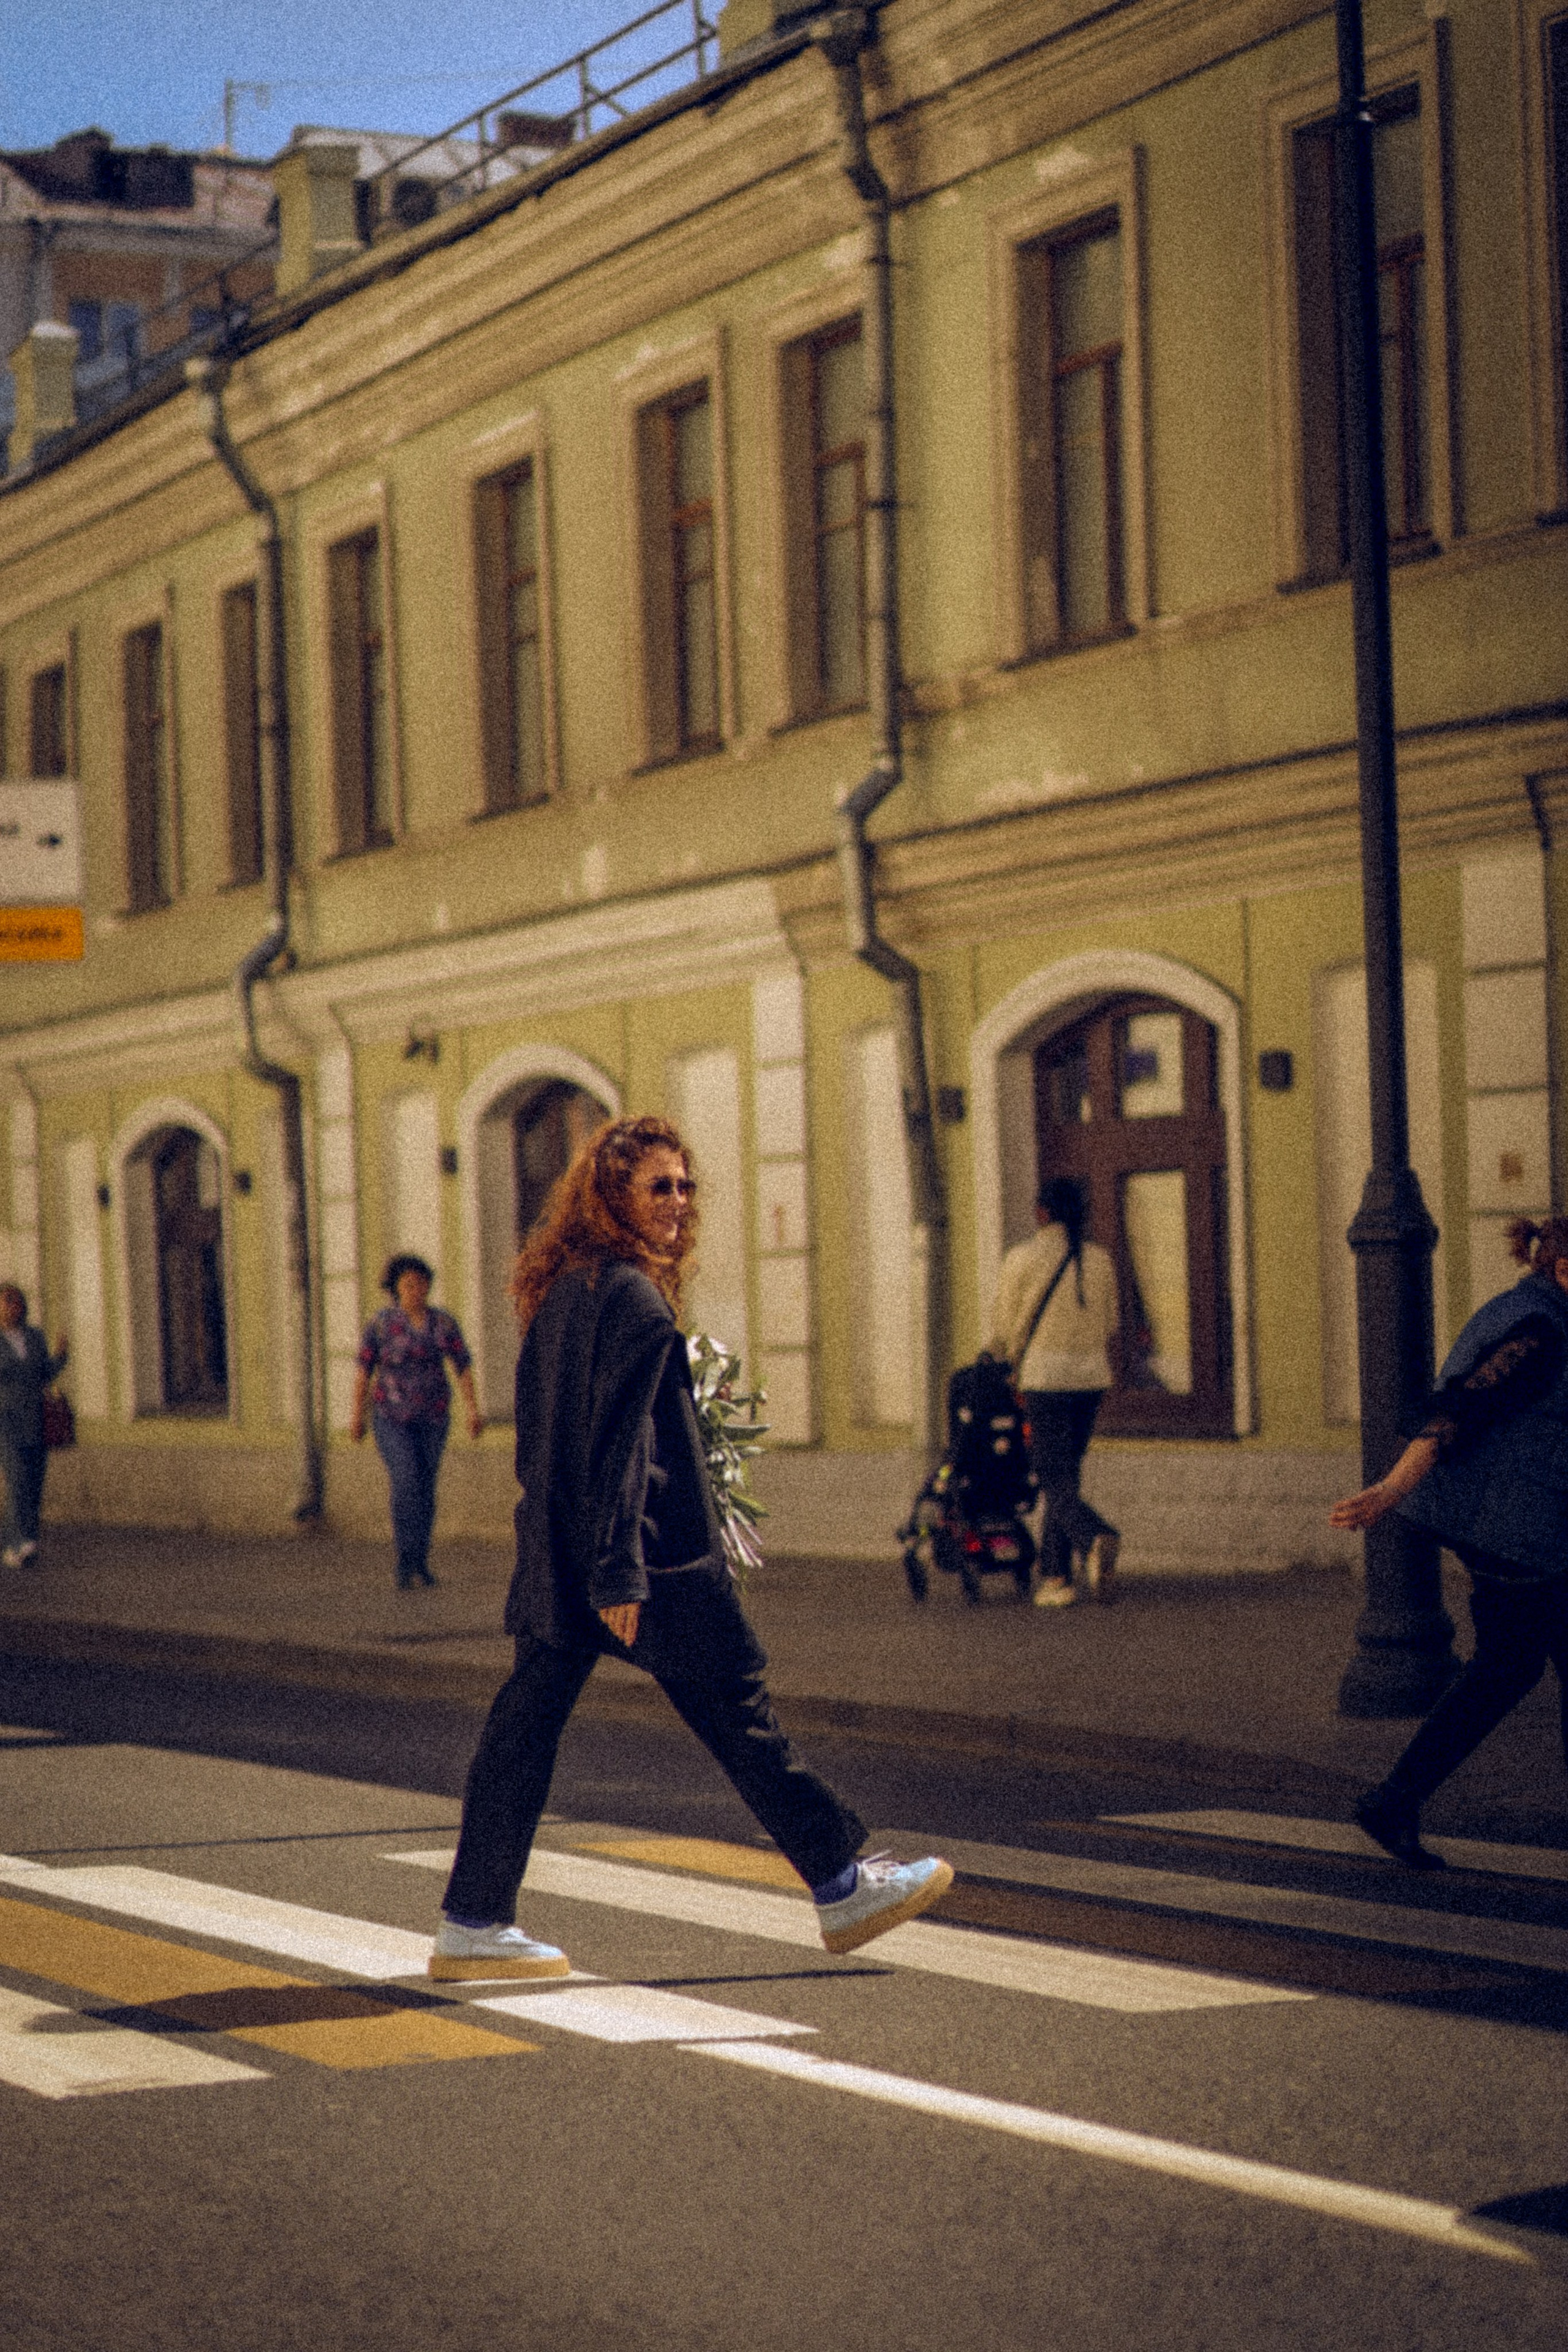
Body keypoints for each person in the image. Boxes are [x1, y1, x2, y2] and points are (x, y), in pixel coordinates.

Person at [430, 1113, 952, 1981]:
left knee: (527, 1727)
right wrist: (619, 1572)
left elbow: (549, 1445)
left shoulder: (566, 1291)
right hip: (640, 1564)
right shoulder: (632, 1299)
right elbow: (622, 1448)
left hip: (569, 1554)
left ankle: (474, 1921)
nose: (678, 1202)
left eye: (686, 1185)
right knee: (737, 1711)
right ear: (612, 1197)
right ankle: (840, 1884)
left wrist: (570, 1556)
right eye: (658, 1187)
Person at [1330, 1215, 1568, 1869]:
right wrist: (1389, 1490)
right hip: (1518, 1531)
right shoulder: (1537, 1330)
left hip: (1519, 1525)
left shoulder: (1537, 1312)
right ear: (1563, 1270)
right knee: (1513, 1665)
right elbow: (1456, 1410)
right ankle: (1394, 1799)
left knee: (1507, 1667)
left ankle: (1394, 1801)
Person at [989, 1175, 1121, 1607]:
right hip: (1091, 1380)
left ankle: (1093, 1535)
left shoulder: (1022, 1259)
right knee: (1067, 1475)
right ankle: (1055, 1577)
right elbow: (1111, 1324)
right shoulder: (1100, 1261)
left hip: (1044, 1380)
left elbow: (1006, 1328)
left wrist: (1001, 1357)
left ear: (1042, 1212)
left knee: (1051, 1475)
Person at [350, 1254, 481, 1590]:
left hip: (433, 1417)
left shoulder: (442, 1323)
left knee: (425, 1485)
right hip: (391, 1417)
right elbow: (364, 1370)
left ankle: (421, 1559)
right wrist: (357, 1415)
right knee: (406, 1478)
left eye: (421, 1284)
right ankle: (405, 1558)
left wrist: (472, 1409)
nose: (415, 1290)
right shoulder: (382, 1325)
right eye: (408, 1284)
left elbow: (462, 1364)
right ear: (395, 1288)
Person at [0, 1283, 69, 1570]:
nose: (12, 1308)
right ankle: (17, 1543)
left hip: (36, 1419)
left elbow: (45, 1374)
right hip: (6, 1420)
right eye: (6, 1303)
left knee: (34, 1483)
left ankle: (28, 1539)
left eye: (16, 1302)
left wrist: (61, 1356)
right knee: (17, 1480)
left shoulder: (35, 1336)